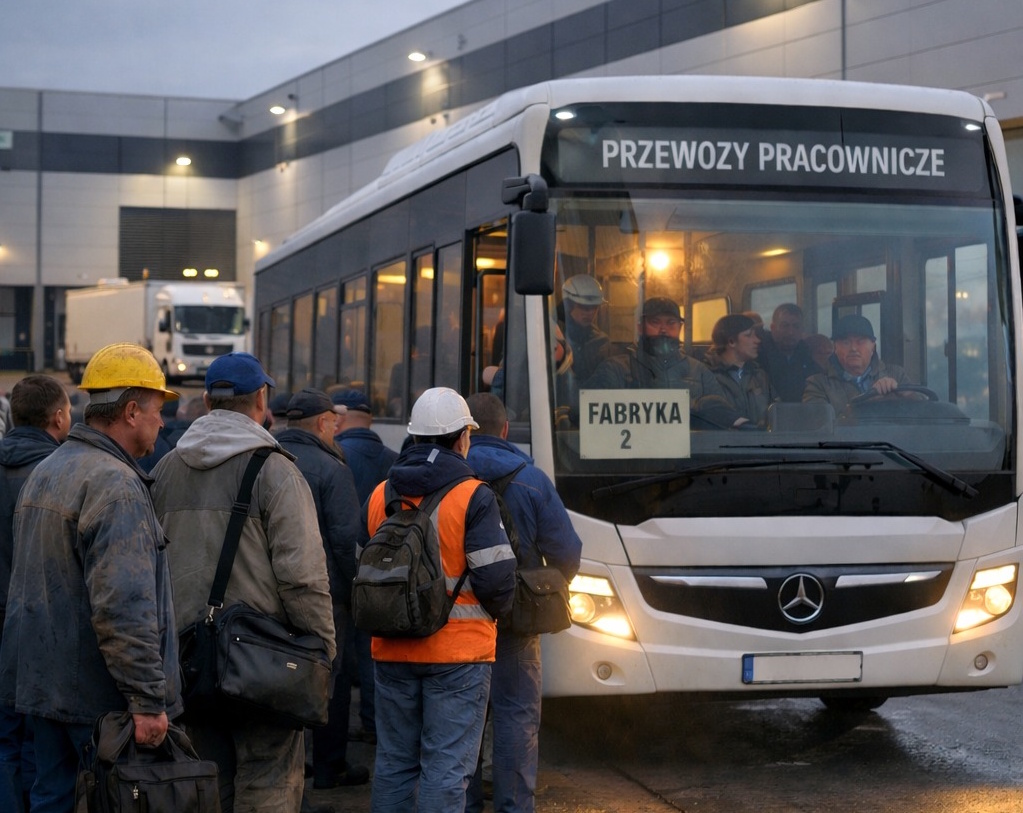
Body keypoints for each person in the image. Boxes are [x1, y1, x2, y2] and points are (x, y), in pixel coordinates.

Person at [150, 352, 336, 813]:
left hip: (187, 663)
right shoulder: (275, 471)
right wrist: (323, 652)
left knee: (204, 785)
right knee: (269, 784)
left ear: (209, 401)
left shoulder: (166, 470)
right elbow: (303, 578)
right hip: (261, 667)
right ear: (260, 400)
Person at [0, 344, 181, 813]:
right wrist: (146, 699)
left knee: (51, 798)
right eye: (158, 411)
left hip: (44, 688)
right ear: (131, 410)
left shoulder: (49, 470)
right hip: (99, 704)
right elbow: (124, 606)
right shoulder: (116, 486)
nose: (162, 423)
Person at [362, 387, 516, 813]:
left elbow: (362, 570)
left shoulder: (380, 495)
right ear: (462, 438)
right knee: (446, 770)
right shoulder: (474, 496)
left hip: (392, 649)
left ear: (413, 437)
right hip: (459, 656)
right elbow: (498, 581)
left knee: (394, 764)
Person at [463, 392, 582, 813]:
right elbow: (568, 552)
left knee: (462, 721)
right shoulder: (531, 479)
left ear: (466, 430)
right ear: (506, 429)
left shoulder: (449, 477)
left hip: (456, 623)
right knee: (516, 718)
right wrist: (537, 589)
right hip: (516, 619)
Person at [275, 388, 369, 792]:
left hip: (272, 590)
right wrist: (355, 592)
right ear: (320, 424)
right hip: (326, 594)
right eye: (334, 422)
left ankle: (293, 763)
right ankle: (330, 766)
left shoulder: (270, 459)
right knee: (332, 678)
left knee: (280, 674)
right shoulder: (333, 470)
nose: (336, 429)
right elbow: (347, 541)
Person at [0, 376, 72, 813]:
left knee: (4, 737)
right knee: (42, 742)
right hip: (44, 625)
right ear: (60, 418)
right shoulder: (63, 474)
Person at [331, 387, 398, 745]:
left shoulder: (335, 456)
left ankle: (334, 741)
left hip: (343, 572)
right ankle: (375, 723)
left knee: (339, 657)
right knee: (375, 649)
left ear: (339, 419)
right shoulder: (392, 459)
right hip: (387, 572)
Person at [584, 296, 748, 429]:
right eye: (655, 322)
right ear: (640, 327)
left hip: (694, 462)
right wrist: (694, 407)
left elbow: (722, 417)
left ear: (680, 327)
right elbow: (586, 413)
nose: (663, 329)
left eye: (671, 323)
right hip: (635, 463)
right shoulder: (616, 368)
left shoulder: (699, 371)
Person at [802, 314, 915, 416]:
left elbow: (922, 409)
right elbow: (817, 423)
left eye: (861, 341)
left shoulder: (896, 374)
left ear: (873, 346)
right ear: (835, 347)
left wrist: (903, 393)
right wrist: (868, 402)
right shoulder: (817, 384)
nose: (854, 348)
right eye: (846, 342)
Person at [704, 314, 777, 428]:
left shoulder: (759, 376)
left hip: (760, 442)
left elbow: (778, 411)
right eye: (749, 335)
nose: (757, 340)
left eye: (756, 335)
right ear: (731, 341)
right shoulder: (705, 375)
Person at [757, 303, 822, 402]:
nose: (791, 332)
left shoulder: (808, 357)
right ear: (773, 328)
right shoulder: (759, 357)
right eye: (785, 326)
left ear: (802, 330)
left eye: (796, 326)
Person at [559, 275, 611, 384]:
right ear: (569, 305)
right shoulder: (555, 335)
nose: (590, 313)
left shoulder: (601, 341)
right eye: (584, 307)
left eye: (594, 307)